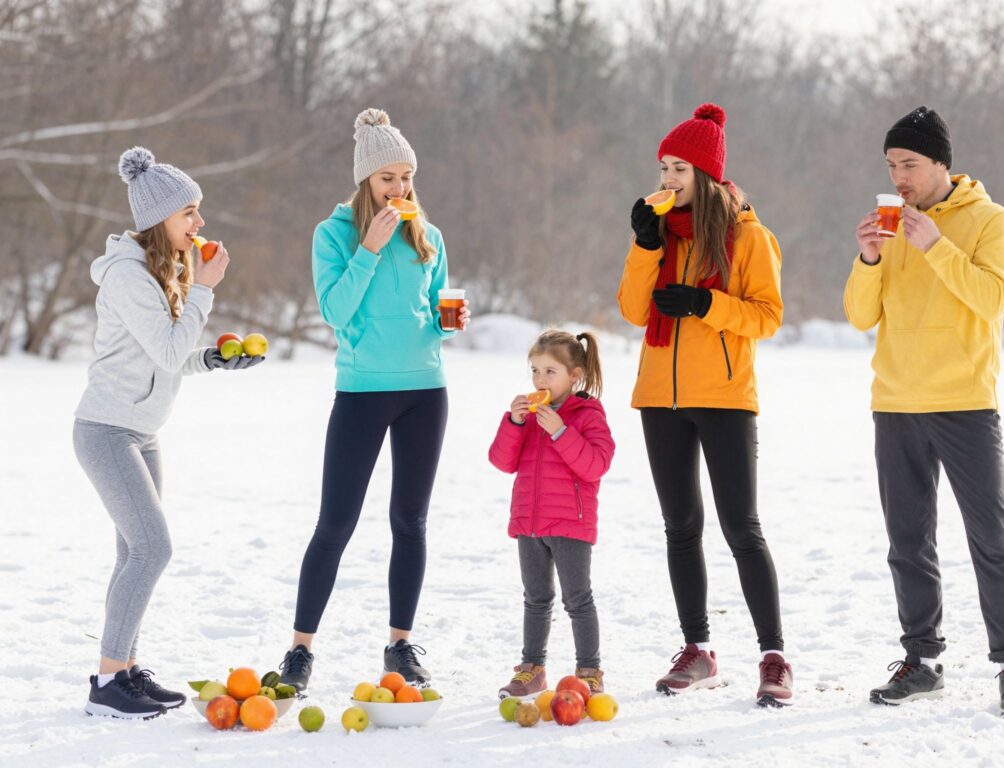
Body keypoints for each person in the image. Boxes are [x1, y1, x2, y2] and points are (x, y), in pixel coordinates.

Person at [278, 108, 470, 691]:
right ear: (365, 179)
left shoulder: (427, 235)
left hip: (424, 391)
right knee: (335, 523)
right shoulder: (332, 234)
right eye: (389, 178)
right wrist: (368, 248)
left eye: (407, 177)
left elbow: (435, 309)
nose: (401, 188)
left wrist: (447, 323)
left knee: (409, 522)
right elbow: (336, 312)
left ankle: (401, 645)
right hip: (362, 392)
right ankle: (300, 651)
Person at [844, 106, 1004, 715]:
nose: (899, 176)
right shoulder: (890, 224)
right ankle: (921, 660)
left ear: (941, 163)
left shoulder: (990, 221)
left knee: (991, 540)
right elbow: (860, 316)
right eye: (892, 164)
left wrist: (937, 246)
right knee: (907, 541)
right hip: (895, 402)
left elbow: (991, 299)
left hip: (965, 403)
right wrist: (868, 258)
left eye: (910, 164)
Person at [74, 147, 262, 719]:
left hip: (141, 432)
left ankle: (125, 669)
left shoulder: (160, 271)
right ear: (161, 219)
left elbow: (170, 357)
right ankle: (107, 684)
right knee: (153, 549)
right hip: (106, 430)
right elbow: (166, 345)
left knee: (133, 551)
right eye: (189, 213)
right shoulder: (131, 277)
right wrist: (205, 288)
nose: (200, 223)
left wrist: (212, 359)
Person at [618, 103, 793, 707]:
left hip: (723, 396)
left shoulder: (748, 236)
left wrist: (705, 305)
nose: (667, 180)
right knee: (680, 527)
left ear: (707, 176)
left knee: (741, 526)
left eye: (679, 170)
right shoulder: (661, 232)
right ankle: (698, 650)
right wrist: (644, 245)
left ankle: (773, 656)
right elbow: (633, 311)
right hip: (658, 399)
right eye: (663, 168)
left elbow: (768, 317)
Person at [488, 330, 615, 699]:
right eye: (535, 371)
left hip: (570, 524)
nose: (540, 380)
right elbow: (502, 461)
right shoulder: (527, 415)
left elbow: (596, 465)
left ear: (574, 375)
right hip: (529, 522)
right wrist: (512, 423)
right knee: (535, 597)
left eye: (550, 372)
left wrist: (561, 432)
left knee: (578, 598)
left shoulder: (587, 413)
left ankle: (589, 670)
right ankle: (532, 668)